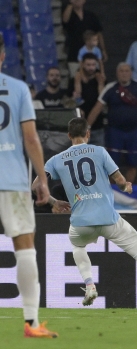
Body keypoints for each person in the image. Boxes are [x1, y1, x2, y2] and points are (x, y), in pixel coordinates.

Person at [33, 118, 137, 310]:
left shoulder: (56, 160)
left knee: (77, 246)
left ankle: (89, 285)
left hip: (81, 222)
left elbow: (36, 186)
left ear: (69, 136)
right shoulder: (99, 152)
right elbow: (119, 180)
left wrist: (54, 202)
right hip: (108, 219)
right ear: (88, 133)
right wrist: (126, 185)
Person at [0, 35, 59, 338]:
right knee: (24, 249)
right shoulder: (19, 89)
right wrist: (43, 181)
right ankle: (31, 323)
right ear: (3, 54)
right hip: (10, 181)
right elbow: (32, 139)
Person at [87, 62, 137, 183]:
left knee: (133, 164)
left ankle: (126, 191)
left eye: (127, 71)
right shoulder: (110, 88)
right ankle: (113, 192)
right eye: (121, 71)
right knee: (111, 166)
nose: (124, 74)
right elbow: (97, 108)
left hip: (134, 132)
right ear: (117, 73)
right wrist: (87, 127)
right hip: (114, 132)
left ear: (131, 73)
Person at [62, 0, 106, 77]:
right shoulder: (69, 14)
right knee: (76, 78)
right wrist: (71, 4)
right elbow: (65, 20)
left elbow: (98, 33)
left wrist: (103, 50)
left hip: (91, 56)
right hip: (74, 54)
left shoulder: (91, 15)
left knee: (93, 80)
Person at [69, 53, 106, 146]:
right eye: (88, 65)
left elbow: (105, 103)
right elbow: (67, 103)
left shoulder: (101, 80)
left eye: (93, 65)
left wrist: (101, 84)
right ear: (82, 65)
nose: (91, 68)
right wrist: (73, 99)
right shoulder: (74, 80)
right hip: (79, 129)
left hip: (98, 127)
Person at [74, 30, 105, 99]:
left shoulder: (97, 50)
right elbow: (81, 64)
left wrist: (102, 73)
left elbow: (100, 62)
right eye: (94, 40)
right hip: (83, 69)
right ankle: (78, 97)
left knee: (100, 79)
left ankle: (101, 98)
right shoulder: (82, 50)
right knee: (77, 78)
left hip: (94, 69)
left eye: (96, 40)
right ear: (87, 41)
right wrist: (82, 74)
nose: (96, 42)